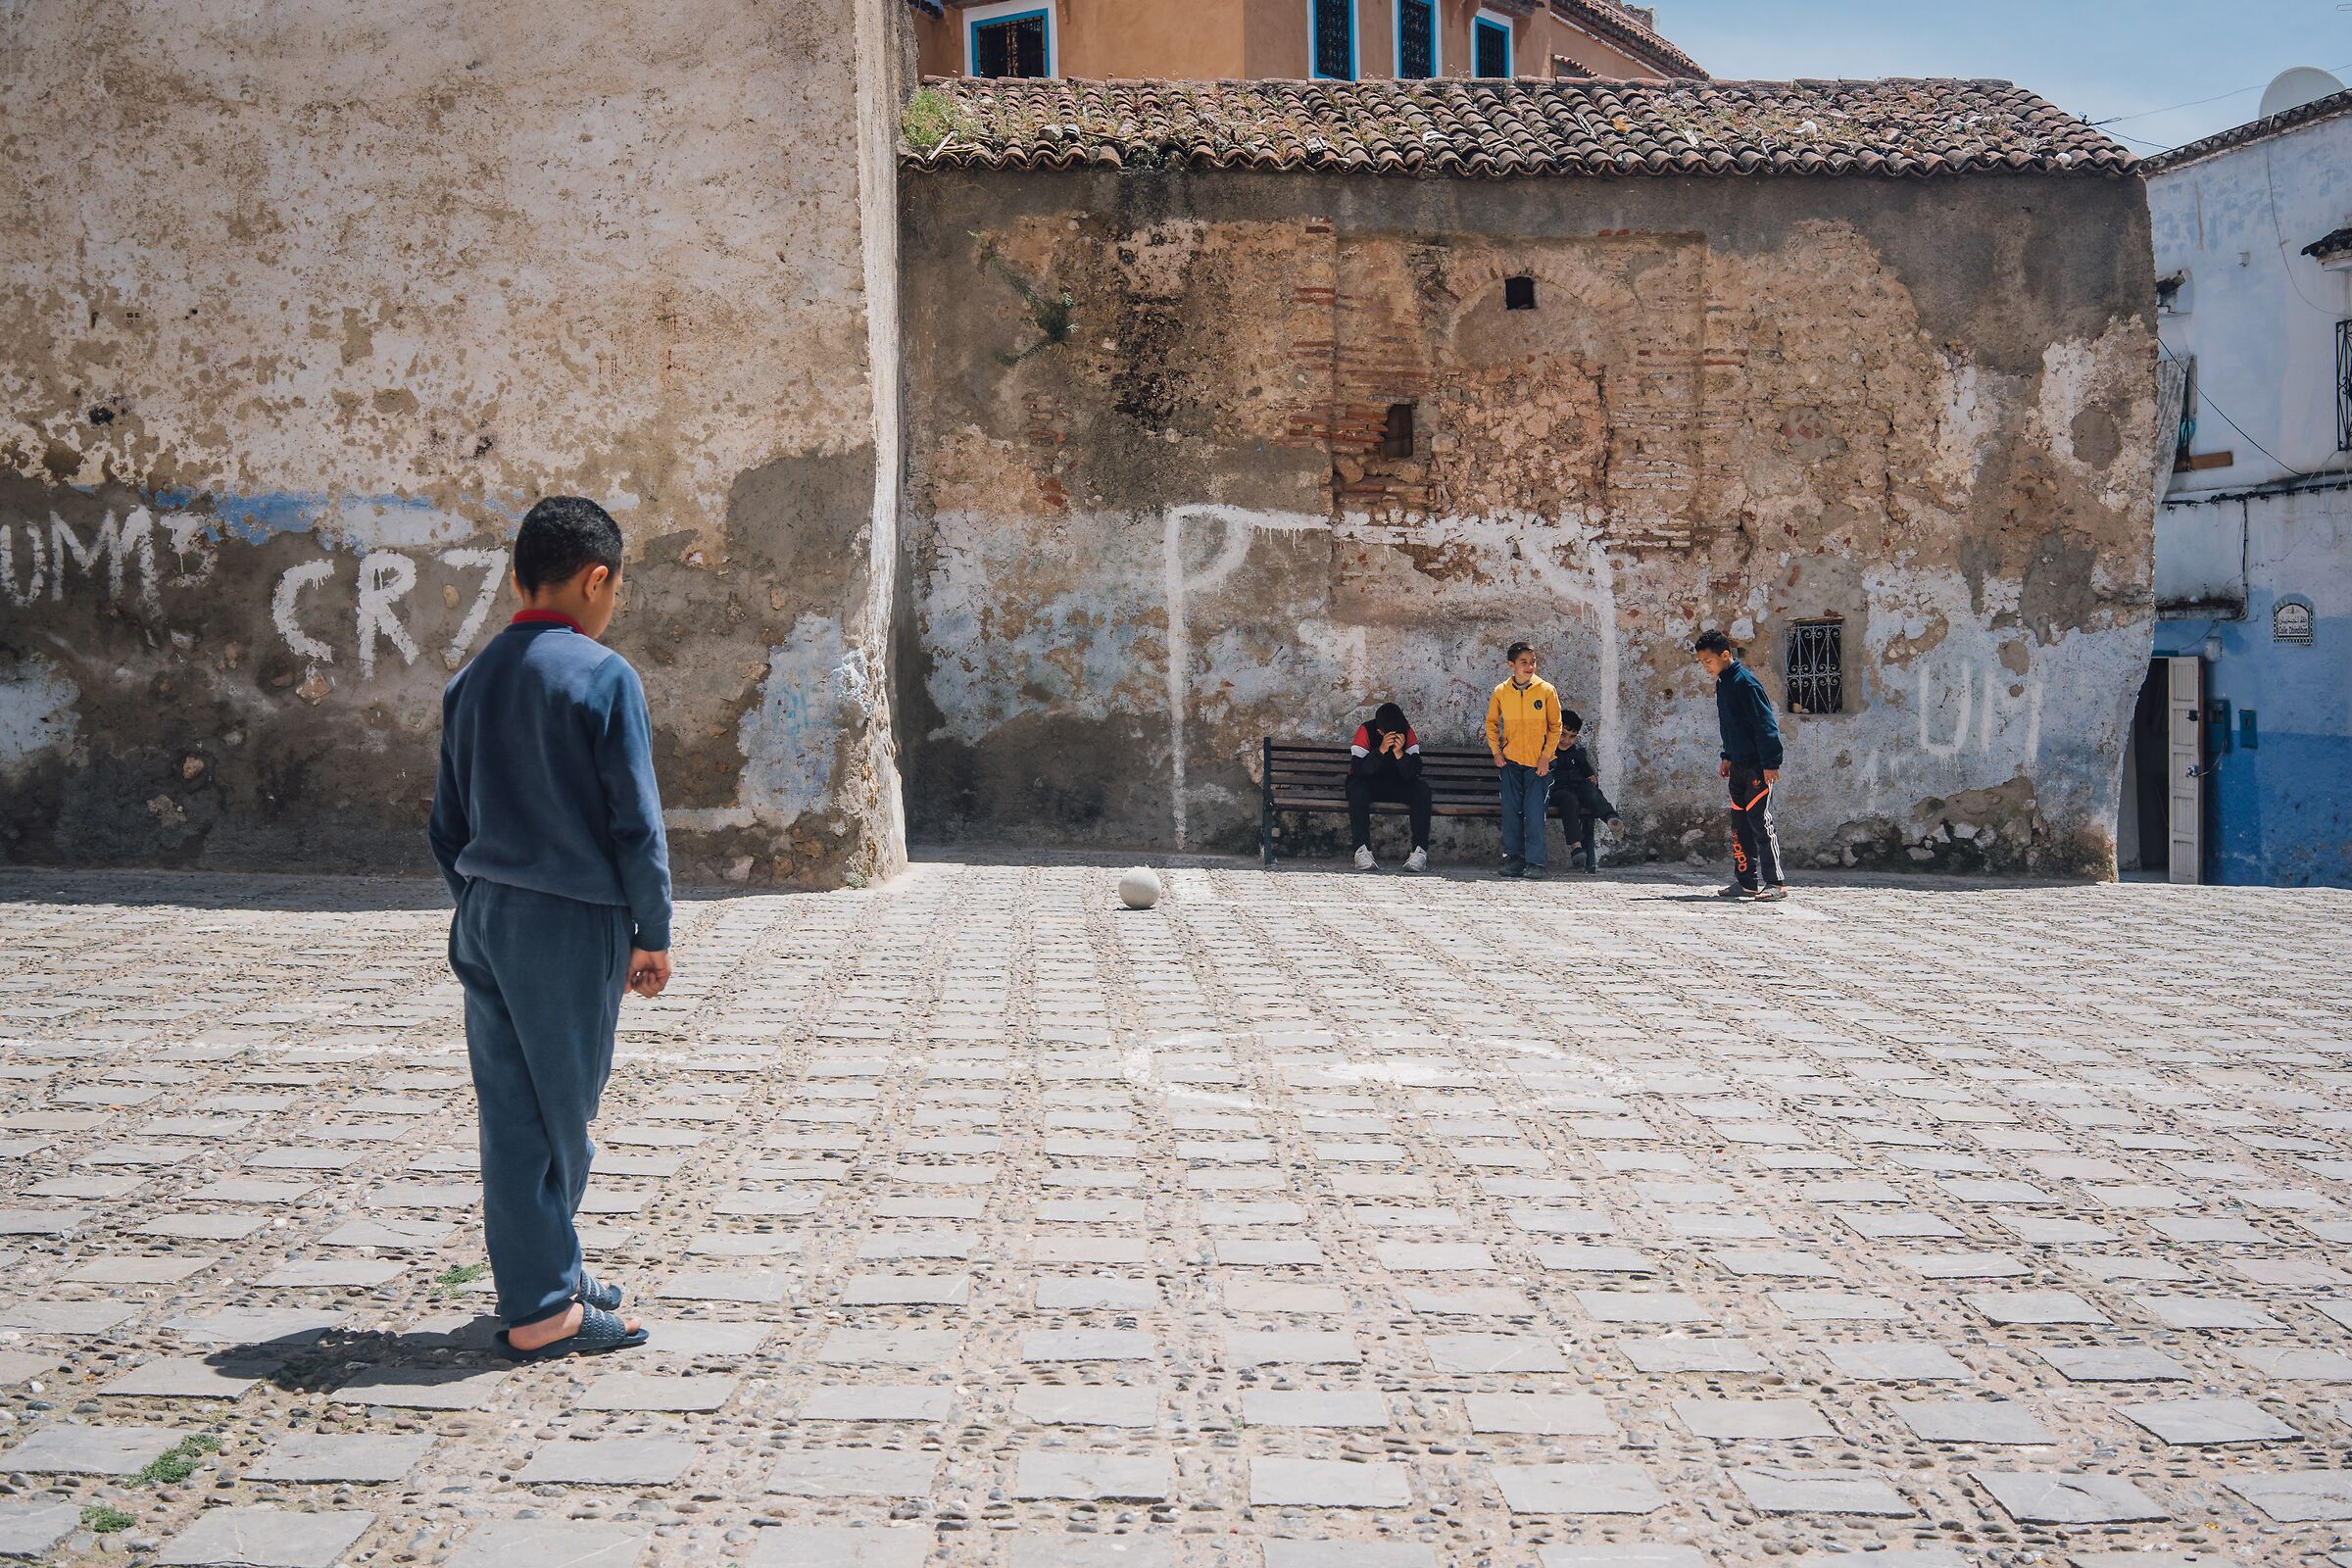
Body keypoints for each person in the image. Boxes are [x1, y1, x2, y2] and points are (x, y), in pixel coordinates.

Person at [428, 496, 673, 1360]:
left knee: (511, 1110)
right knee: (559, 1115)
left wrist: (481, 903)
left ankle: (553, 1270)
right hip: (571, 924)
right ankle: (542, 1308)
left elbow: (446, 825)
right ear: (595, 579)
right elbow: (635, 823)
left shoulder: (472, 679)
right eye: (615, 589)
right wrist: (654, 928)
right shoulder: (605, 677)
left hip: (487, 912)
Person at [1692, 627, 1788, 902]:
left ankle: (1775, 882)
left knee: (1760, 821)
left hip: (1757, 765)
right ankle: (1745, 882)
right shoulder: (1723, 683)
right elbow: (1730, 725)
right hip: (1737, 765)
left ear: (1725, 655)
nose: (1706, 667)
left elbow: (1764, 724)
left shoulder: (1746, 683)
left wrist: (1771, 762)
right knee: (1739, 823)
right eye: (1702, 663)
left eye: (1708, 661)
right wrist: (1727, 756)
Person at [1484, 640, 1561, 879]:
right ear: (1511, 665)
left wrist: (1545, 757)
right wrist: (1497, 752)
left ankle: (1536, 862)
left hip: (1539, 764)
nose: (1529, 667)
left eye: (1533, 662)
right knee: (1511, 811)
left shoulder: (1546, 690)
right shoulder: (1500, 692)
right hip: (1511, 762)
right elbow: (1492, 724)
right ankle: (1514, 859)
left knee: (1534, 812)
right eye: (1524, 663)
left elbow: (1555, 727)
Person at [1348, 702, 1433, 872]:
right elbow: (1359, 771)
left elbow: (1414, 773)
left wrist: (1400, 754)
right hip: (1369, 783)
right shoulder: (1366, 730)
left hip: (1398, 784)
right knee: (1356, 789)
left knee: (1422, 790)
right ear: (1380, 732)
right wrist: (1381, 750)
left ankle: (1419, 852)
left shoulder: (1407, 732)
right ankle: (1361, 850)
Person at [1551, 709, 1619, 872]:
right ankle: (1576, 847)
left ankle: (1611, 818)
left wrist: (1591, 778)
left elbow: (1587, 772)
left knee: (1589, 789)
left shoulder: (1577, 754)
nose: (1566, 741)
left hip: (1577, 787)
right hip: (1558, 791)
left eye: (1572, 737)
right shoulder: (1548, 752)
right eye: (1563, 734)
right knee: (1569, 800)